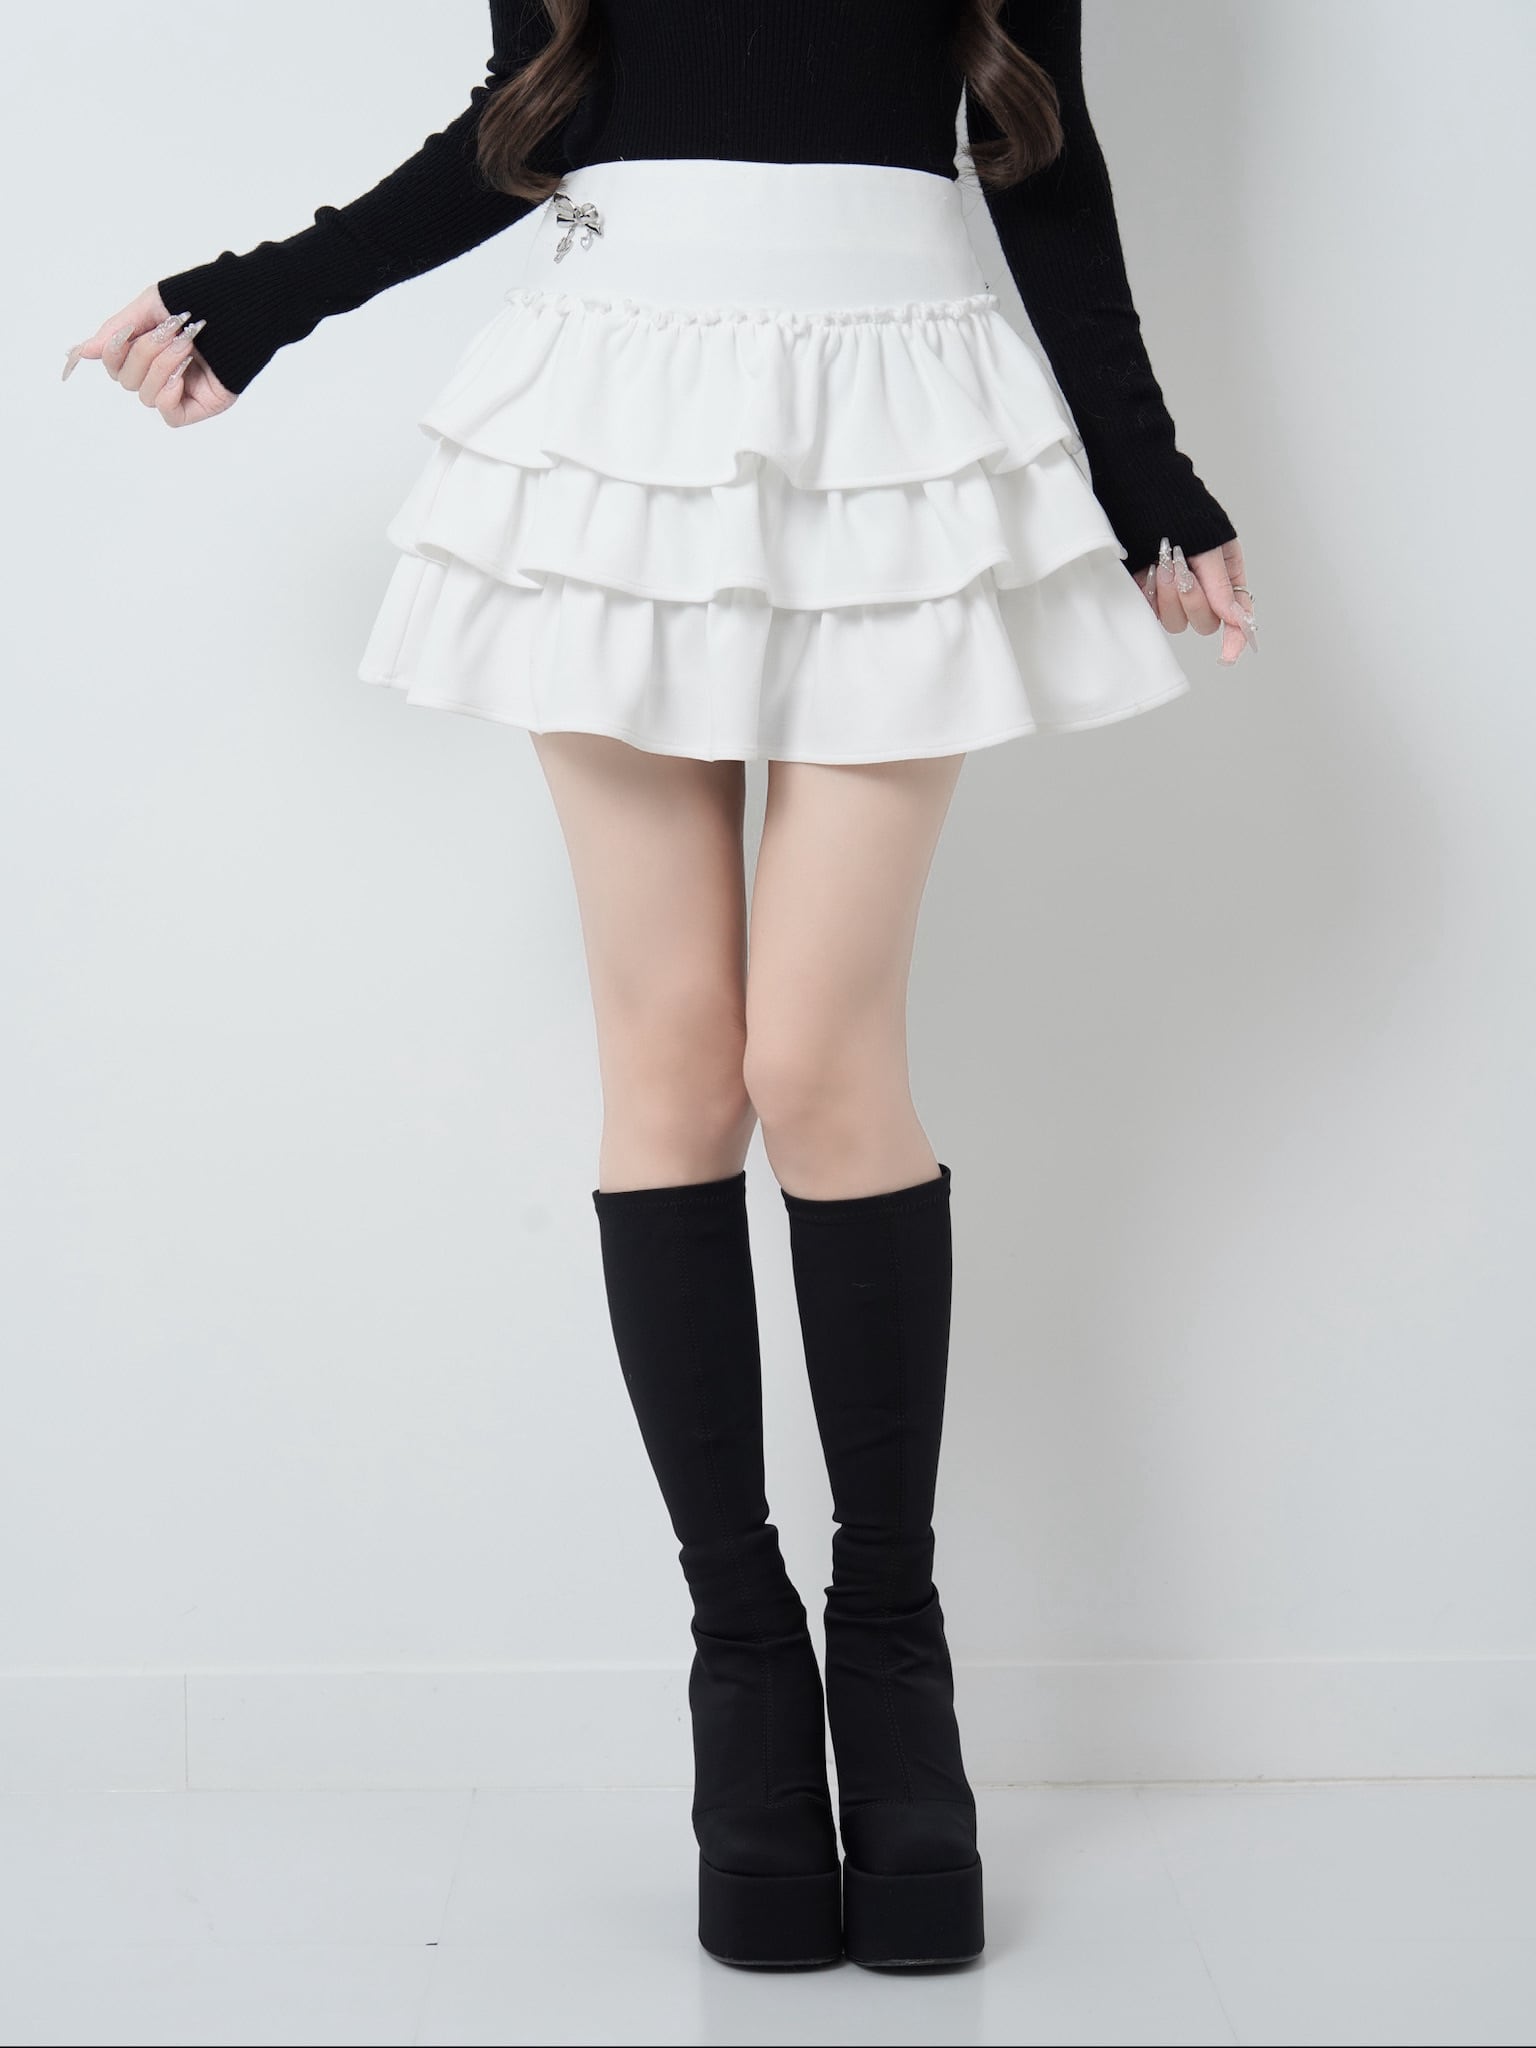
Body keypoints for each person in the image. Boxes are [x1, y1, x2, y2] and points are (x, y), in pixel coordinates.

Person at [65, 0, 1254, 1972]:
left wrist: (1155, 481)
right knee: (678, 1066)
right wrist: (257, 299)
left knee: (823, 1060)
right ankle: (741, 1657)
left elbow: (1041, 155)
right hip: (619, 407)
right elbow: (524, 116)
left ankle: (892, 1644)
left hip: (901, 411)